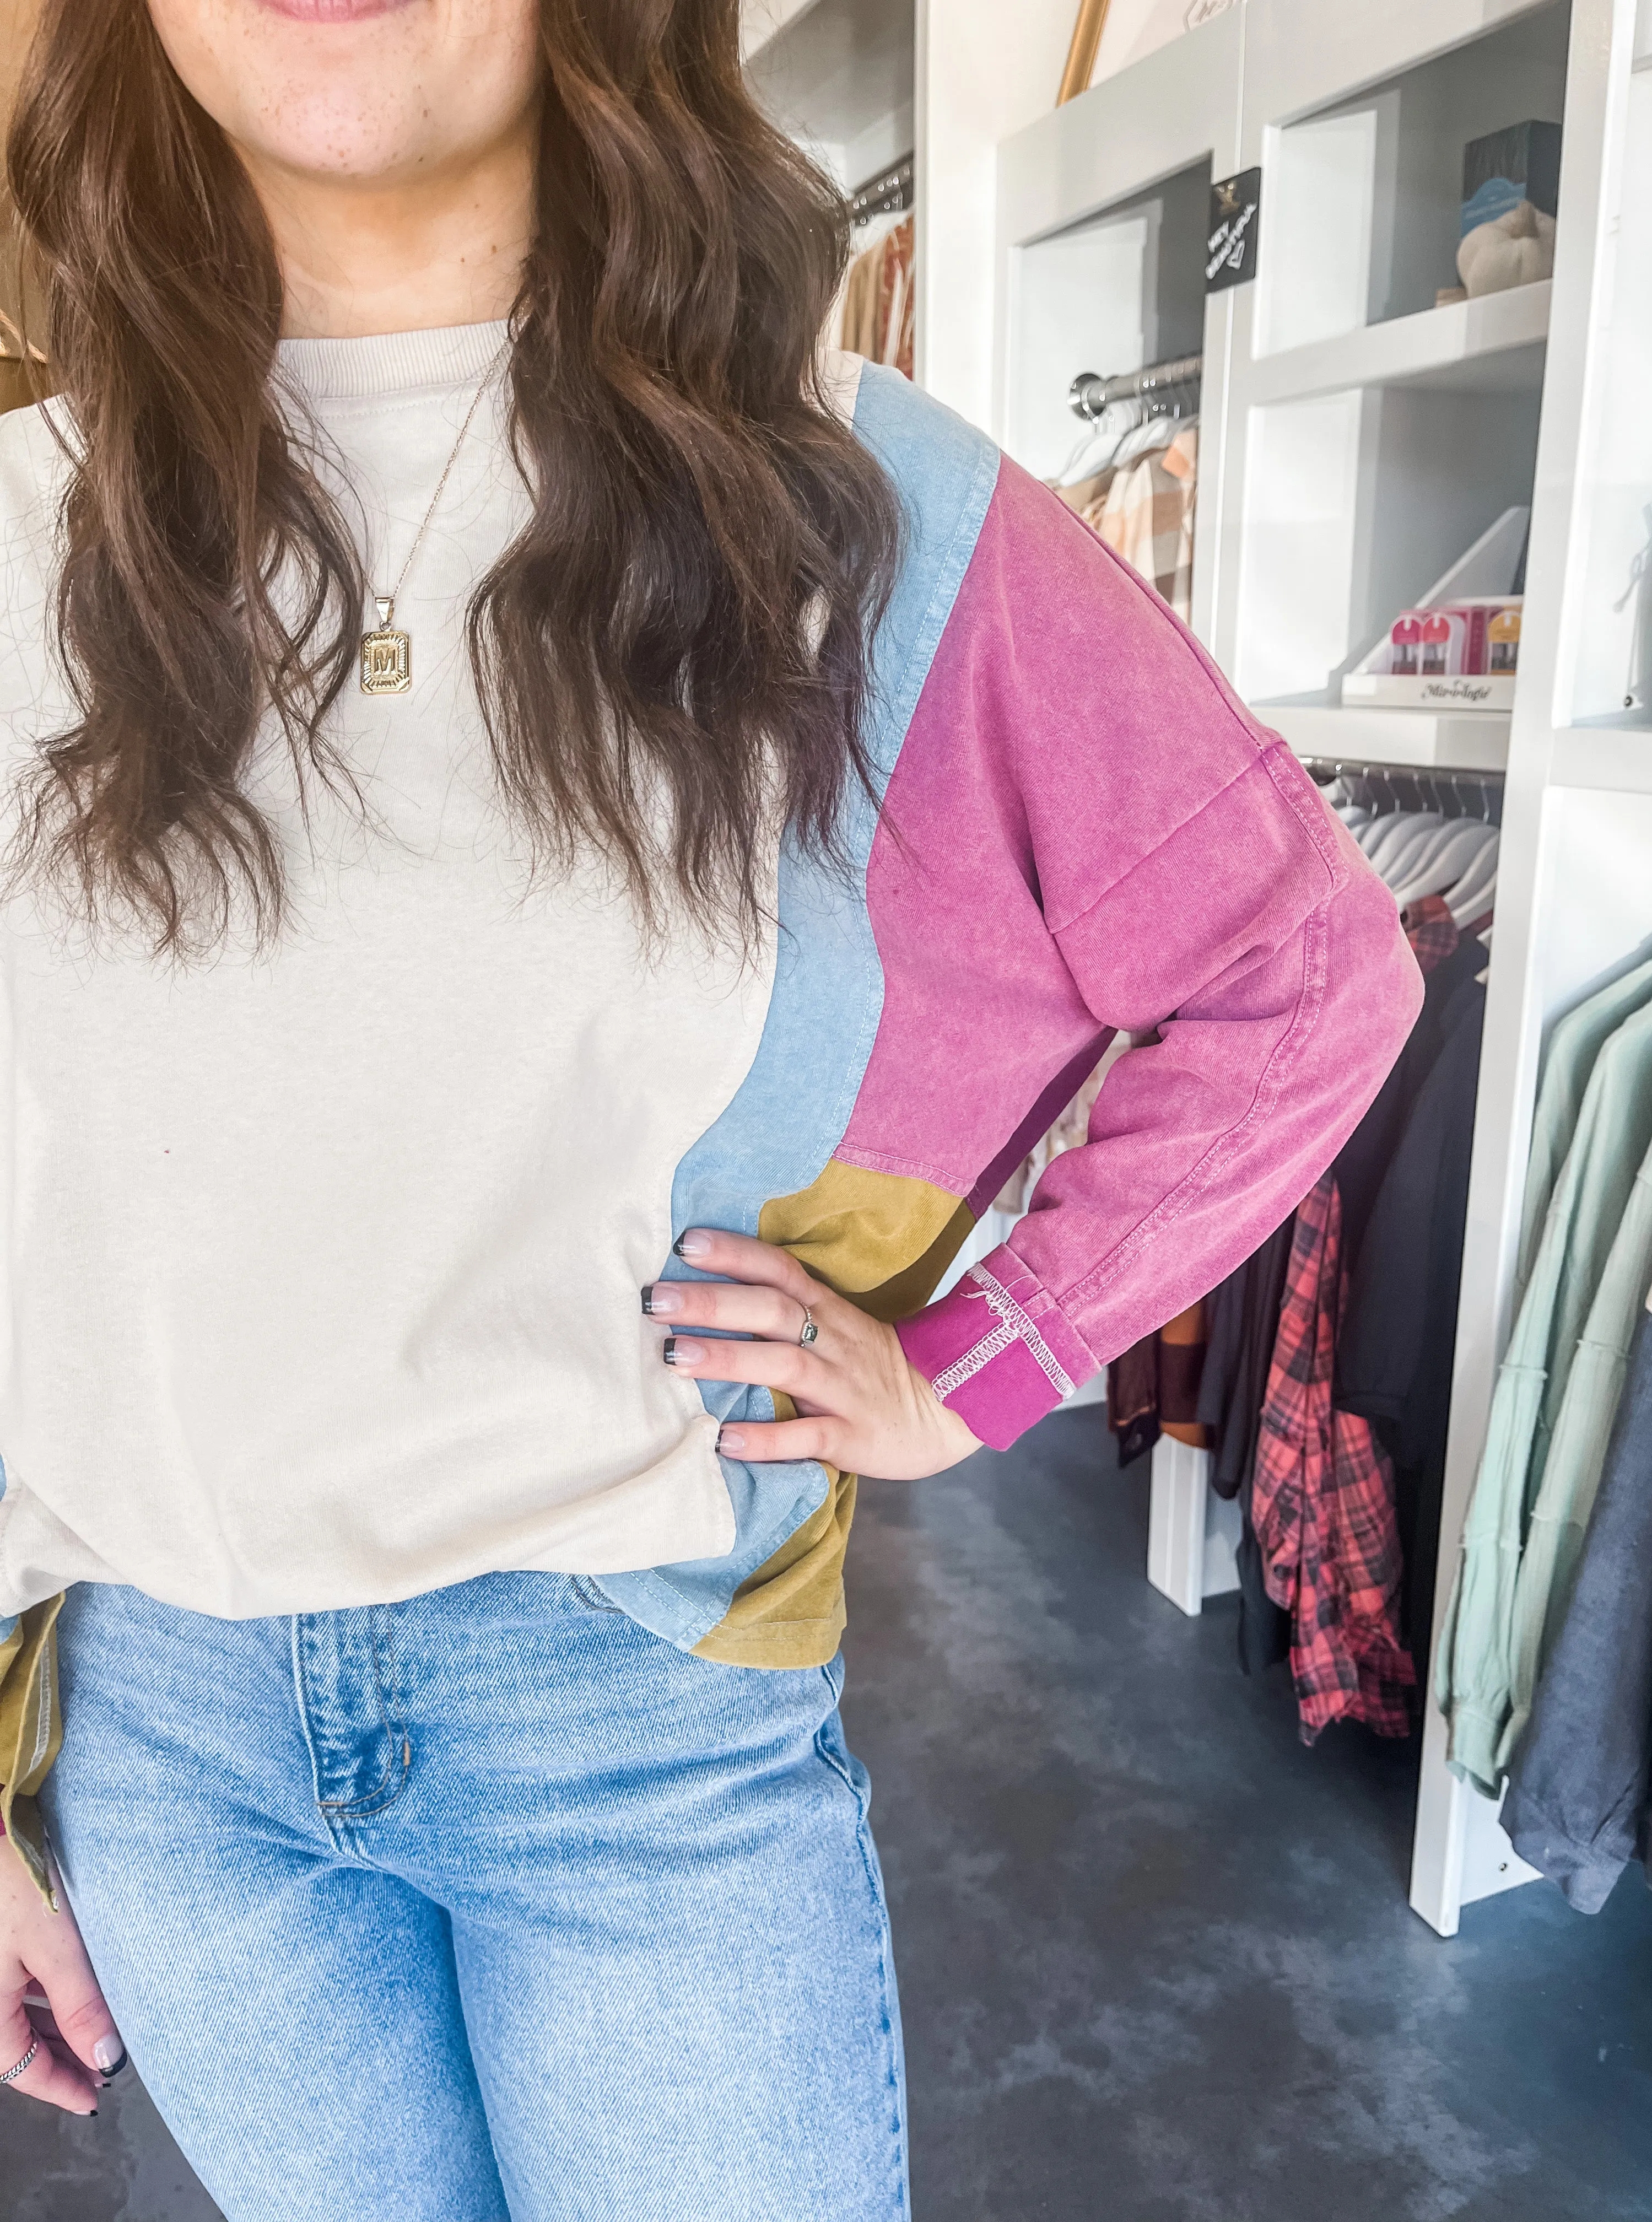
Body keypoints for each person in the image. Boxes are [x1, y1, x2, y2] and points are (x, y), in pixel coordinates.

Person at [0, 1, 1422, 2214]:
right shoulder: (23, 534)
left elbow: (1303, 969)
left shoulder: (855, 512)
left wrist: (982, 1368)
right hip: (165, 1741)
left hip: (631, 1713)